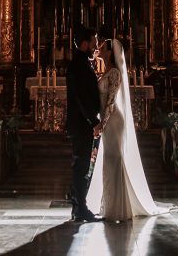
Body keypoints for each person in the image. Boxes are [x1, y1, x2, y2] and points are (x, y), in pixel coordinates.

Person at [86, 38, 171, 221]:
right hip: (107, 120)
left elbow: (111, 101)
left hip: (114, 120)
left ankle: (118, 207)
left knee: (114, 160)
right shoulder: (104, 71)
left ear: (110, 52)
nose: (98, 49)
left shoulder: (115, 73)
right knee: (109, 160)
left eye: (102, 47)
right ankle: (108, 203)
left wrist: (103, 122)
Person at [65, 27, 102, 223]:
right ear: (85, 43)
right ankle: (81, 209)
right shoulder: (79, 65)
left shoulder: (80, 63)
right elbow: (81, 98)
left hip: (81, 123)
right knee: (82, 166)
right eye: (94, 41)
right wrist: (93, 120)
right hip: (81, 124)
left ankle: (78, 206)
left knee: (81, 165)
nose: (96, 46)